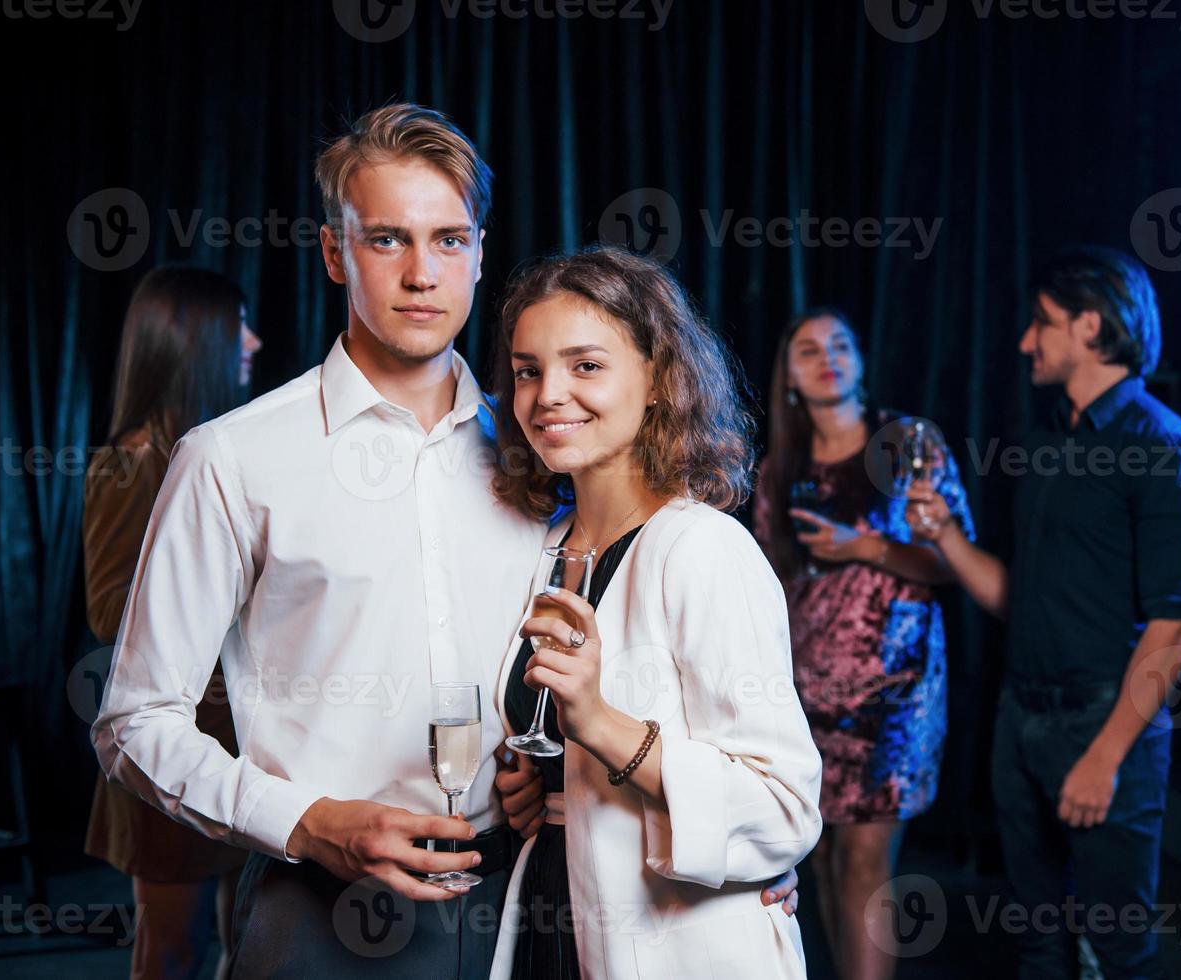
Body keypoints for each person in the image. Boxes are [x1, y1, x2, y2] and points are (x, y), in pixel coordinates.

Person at [91, 103, 796, 979]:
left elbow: (655, 699)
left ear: (479, 253)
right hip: (318, 909)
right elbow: (135, 721)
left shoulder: (546, 457)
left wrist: (747, 857)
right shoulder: (234, 461)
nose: (423, 273)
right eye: (388, 239)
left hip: (529, 903)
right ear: (335, 253)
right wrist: (309, 821)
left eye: (449, 239)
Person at [484, 245, 823, 980]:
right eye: (527, 370)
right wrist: (528, 788)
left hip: (682, 947)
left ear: (659, 379)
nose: (548, 395)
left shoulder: (704, 549)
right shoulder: (539, 551)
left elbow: (784, 807)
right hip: (553, 921)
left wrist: (601, 725)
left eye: (587, 366)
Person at [907, 247, 1181, 979]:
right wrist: (945, 538)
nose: (1024, 342)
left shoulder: (1167, 450)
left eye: (1040, 324)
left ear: (1090, 326)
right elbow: (1022, 598)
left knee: (1119, 952)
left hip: (1106, 726)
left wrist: (1105, 758)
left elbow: (1175, 629)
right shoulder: (1047, 440)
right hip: (1022, 718)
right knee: (1037, 942)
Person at [751, 308, 974, 980]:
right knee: (820, 858)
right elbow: (767, 585)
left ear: (861, 360)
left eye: (841, 344)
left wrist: (867, 547)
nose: (828, 358)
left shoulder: (907, 442)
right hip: (805, 696)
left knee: (867, 863)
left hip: (893, 695)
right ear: (789, 375)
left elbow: (953, 563)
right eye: (809, 349)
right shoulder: (777, 470)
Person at [84, 265, 261, 979]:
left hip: (238, 743)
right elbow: (105, 610)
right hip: (170, 747)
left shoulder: (231, 454)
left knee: (246, 947)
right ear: (196, 344)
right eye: (237, 326)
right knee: (173, 955)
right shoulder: (130, 465)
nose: (253, 340)